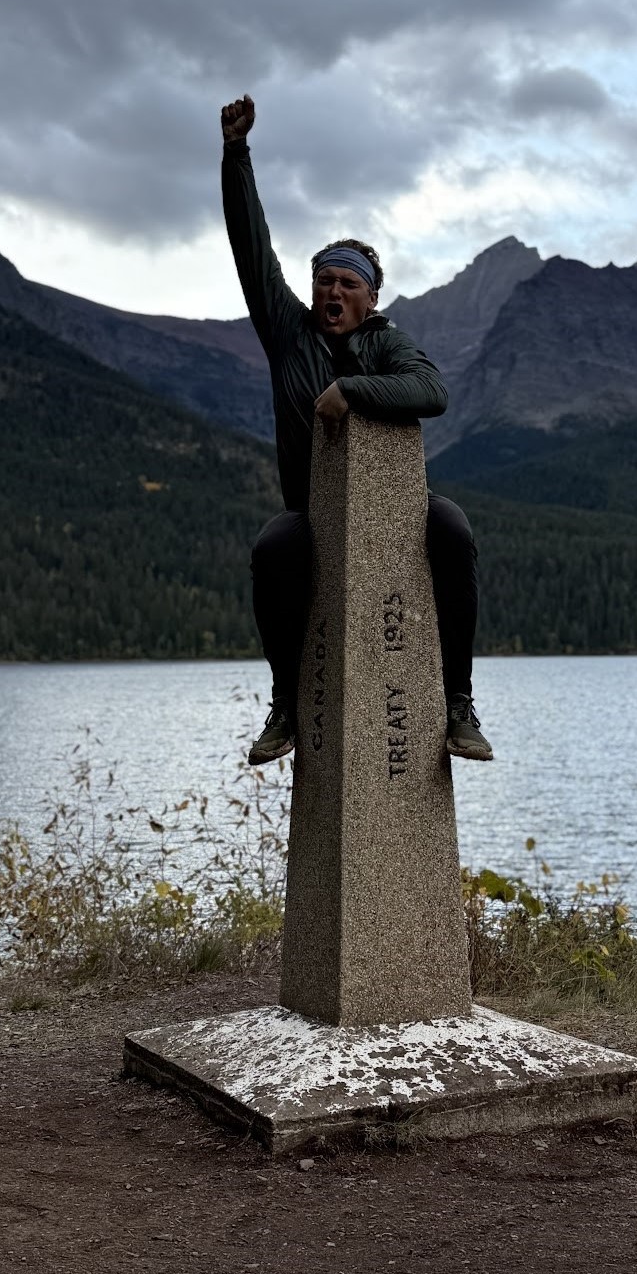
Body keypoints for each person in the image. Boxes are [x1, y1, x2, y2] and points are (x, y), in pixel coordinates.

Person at [220, 92, 494, 768]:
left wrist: (350, 391)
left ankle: (458, 703)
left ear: (371, 297)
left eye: (347, 283)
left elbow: (431, 393)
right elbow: (251, 249)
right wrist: (236, 153)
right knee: (273, 548)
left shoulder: (389, 343)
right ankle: (285, 705)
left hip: (397, 507)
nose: (332, 292)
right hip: (311, 510)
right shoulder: (288, 335)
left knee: (452, 529)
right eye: (323, 282)